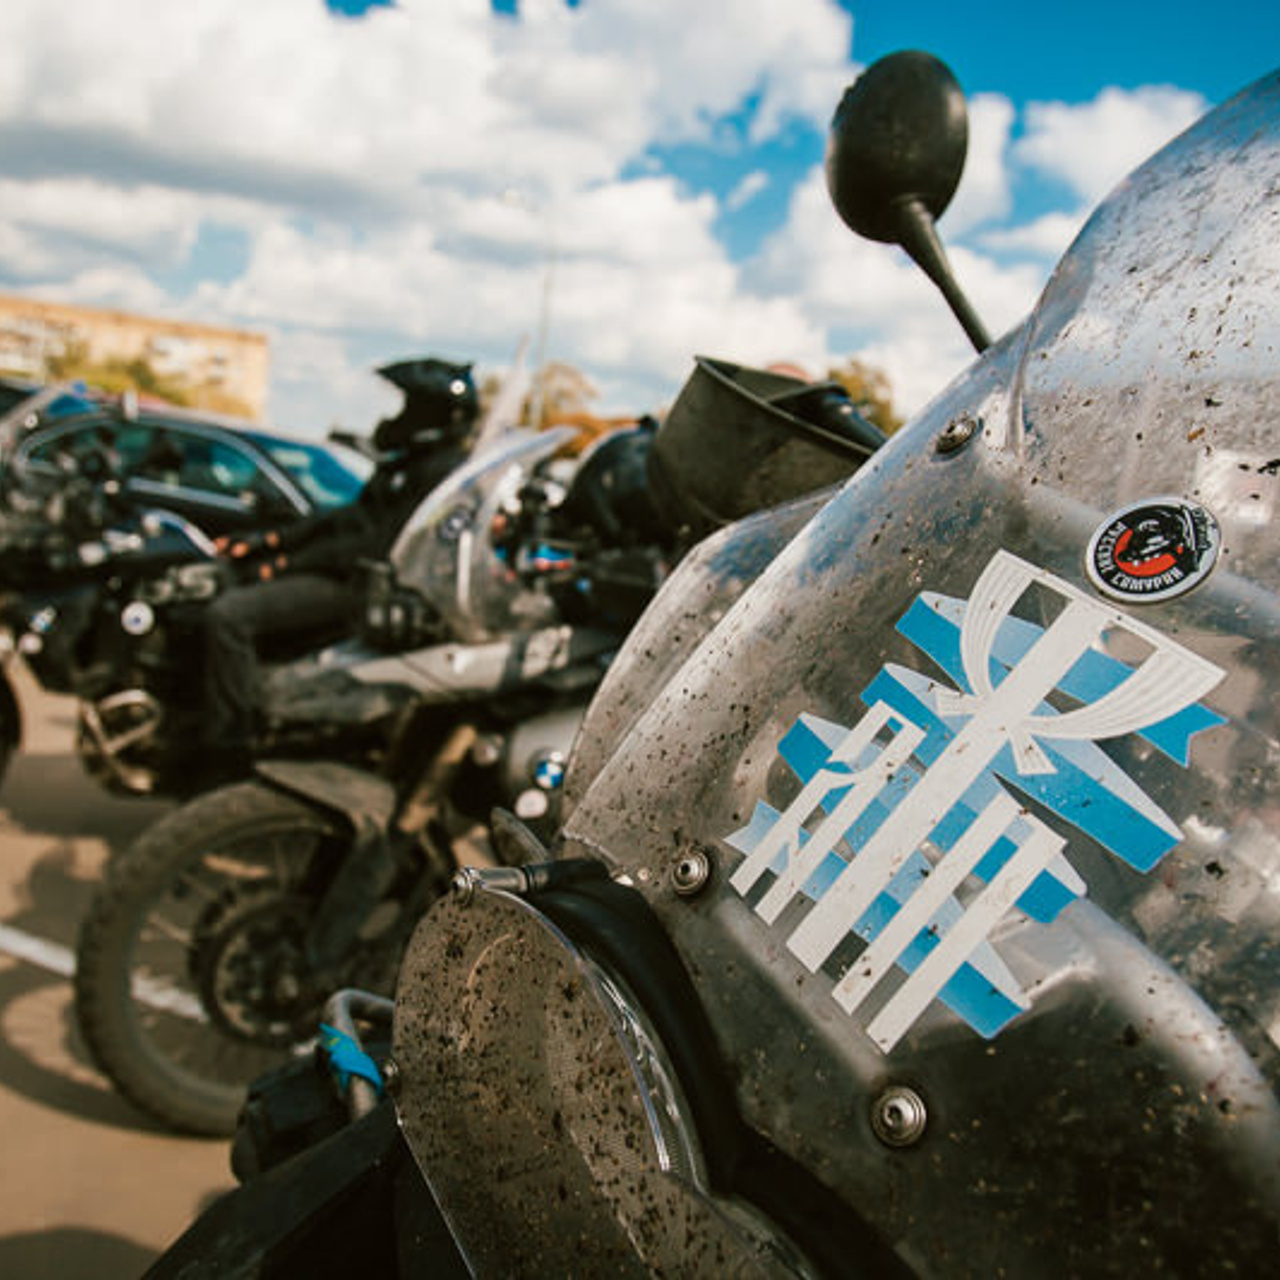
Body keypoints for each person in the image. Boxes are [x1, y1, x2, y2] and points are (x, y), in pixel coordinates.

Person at [194, 357, 480, 784]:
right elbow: (344, 519)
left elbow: (376, 544)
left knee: (229, 617)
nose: (399, 417)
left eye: (411, 407)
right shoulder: (404, 462)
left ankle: (228, 753)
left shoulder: (442, 473)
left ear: (439, 415)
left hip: (359, 586)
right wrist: (269, 542)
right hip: (339, 572)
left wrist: (286, 564)